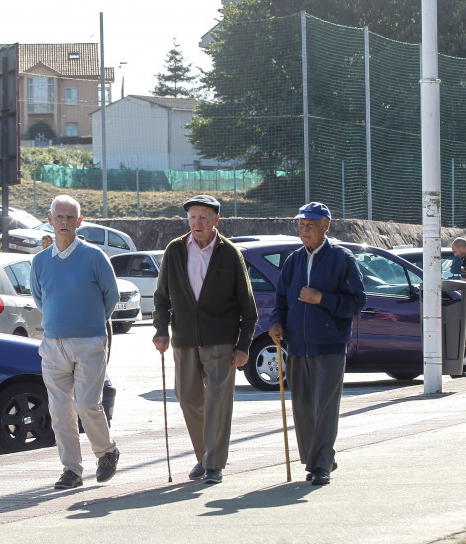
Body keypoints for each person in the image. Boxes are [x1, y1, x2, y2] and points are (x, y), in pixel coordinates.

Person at [151, 194, 257, 484]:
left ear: (215, 221)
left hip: (221, 340)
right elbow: (161, 297)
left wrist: (243, 345)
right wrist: (160, 329)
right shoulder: (175, 250)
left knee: (218, 401)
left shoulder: (230, 253)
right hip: (184, 339)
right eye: (192, 217)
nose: (197, 223)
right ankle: (204, 454)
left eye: (203, 218)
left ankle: (214, 463)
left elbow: (248, 306)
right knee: (187, 398)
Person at [268, 202, 366, 486]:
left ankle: (320, 464)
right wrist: (277, 324)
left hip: (329, 346)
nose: (304, 229)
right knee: (303, 407)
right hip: (297, 345)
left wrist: (322, 299)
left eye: (311, 224)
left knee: (325, 408)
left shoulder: (342, 258)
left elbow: (357, 301)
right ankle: (319, 458)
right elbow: (282, 300)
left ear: (326, 226)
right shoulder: (293, 260)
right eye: (301, 224)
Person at [30, 194, 120, 489]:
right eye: (60, 216)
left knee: (86, 404)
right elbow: (40, 298)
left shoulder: (94, 256)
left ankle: (106, 452)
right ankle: (72, 470)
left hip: (90, 342)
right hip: (54, 344)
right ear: (50, 219)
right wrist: (60, 321)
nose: (65, 222)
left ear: (79, 222)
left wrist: (90, 323)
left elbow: (112, 296)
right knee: (59, 411)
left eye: (71, 217)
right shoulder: (40, 261)